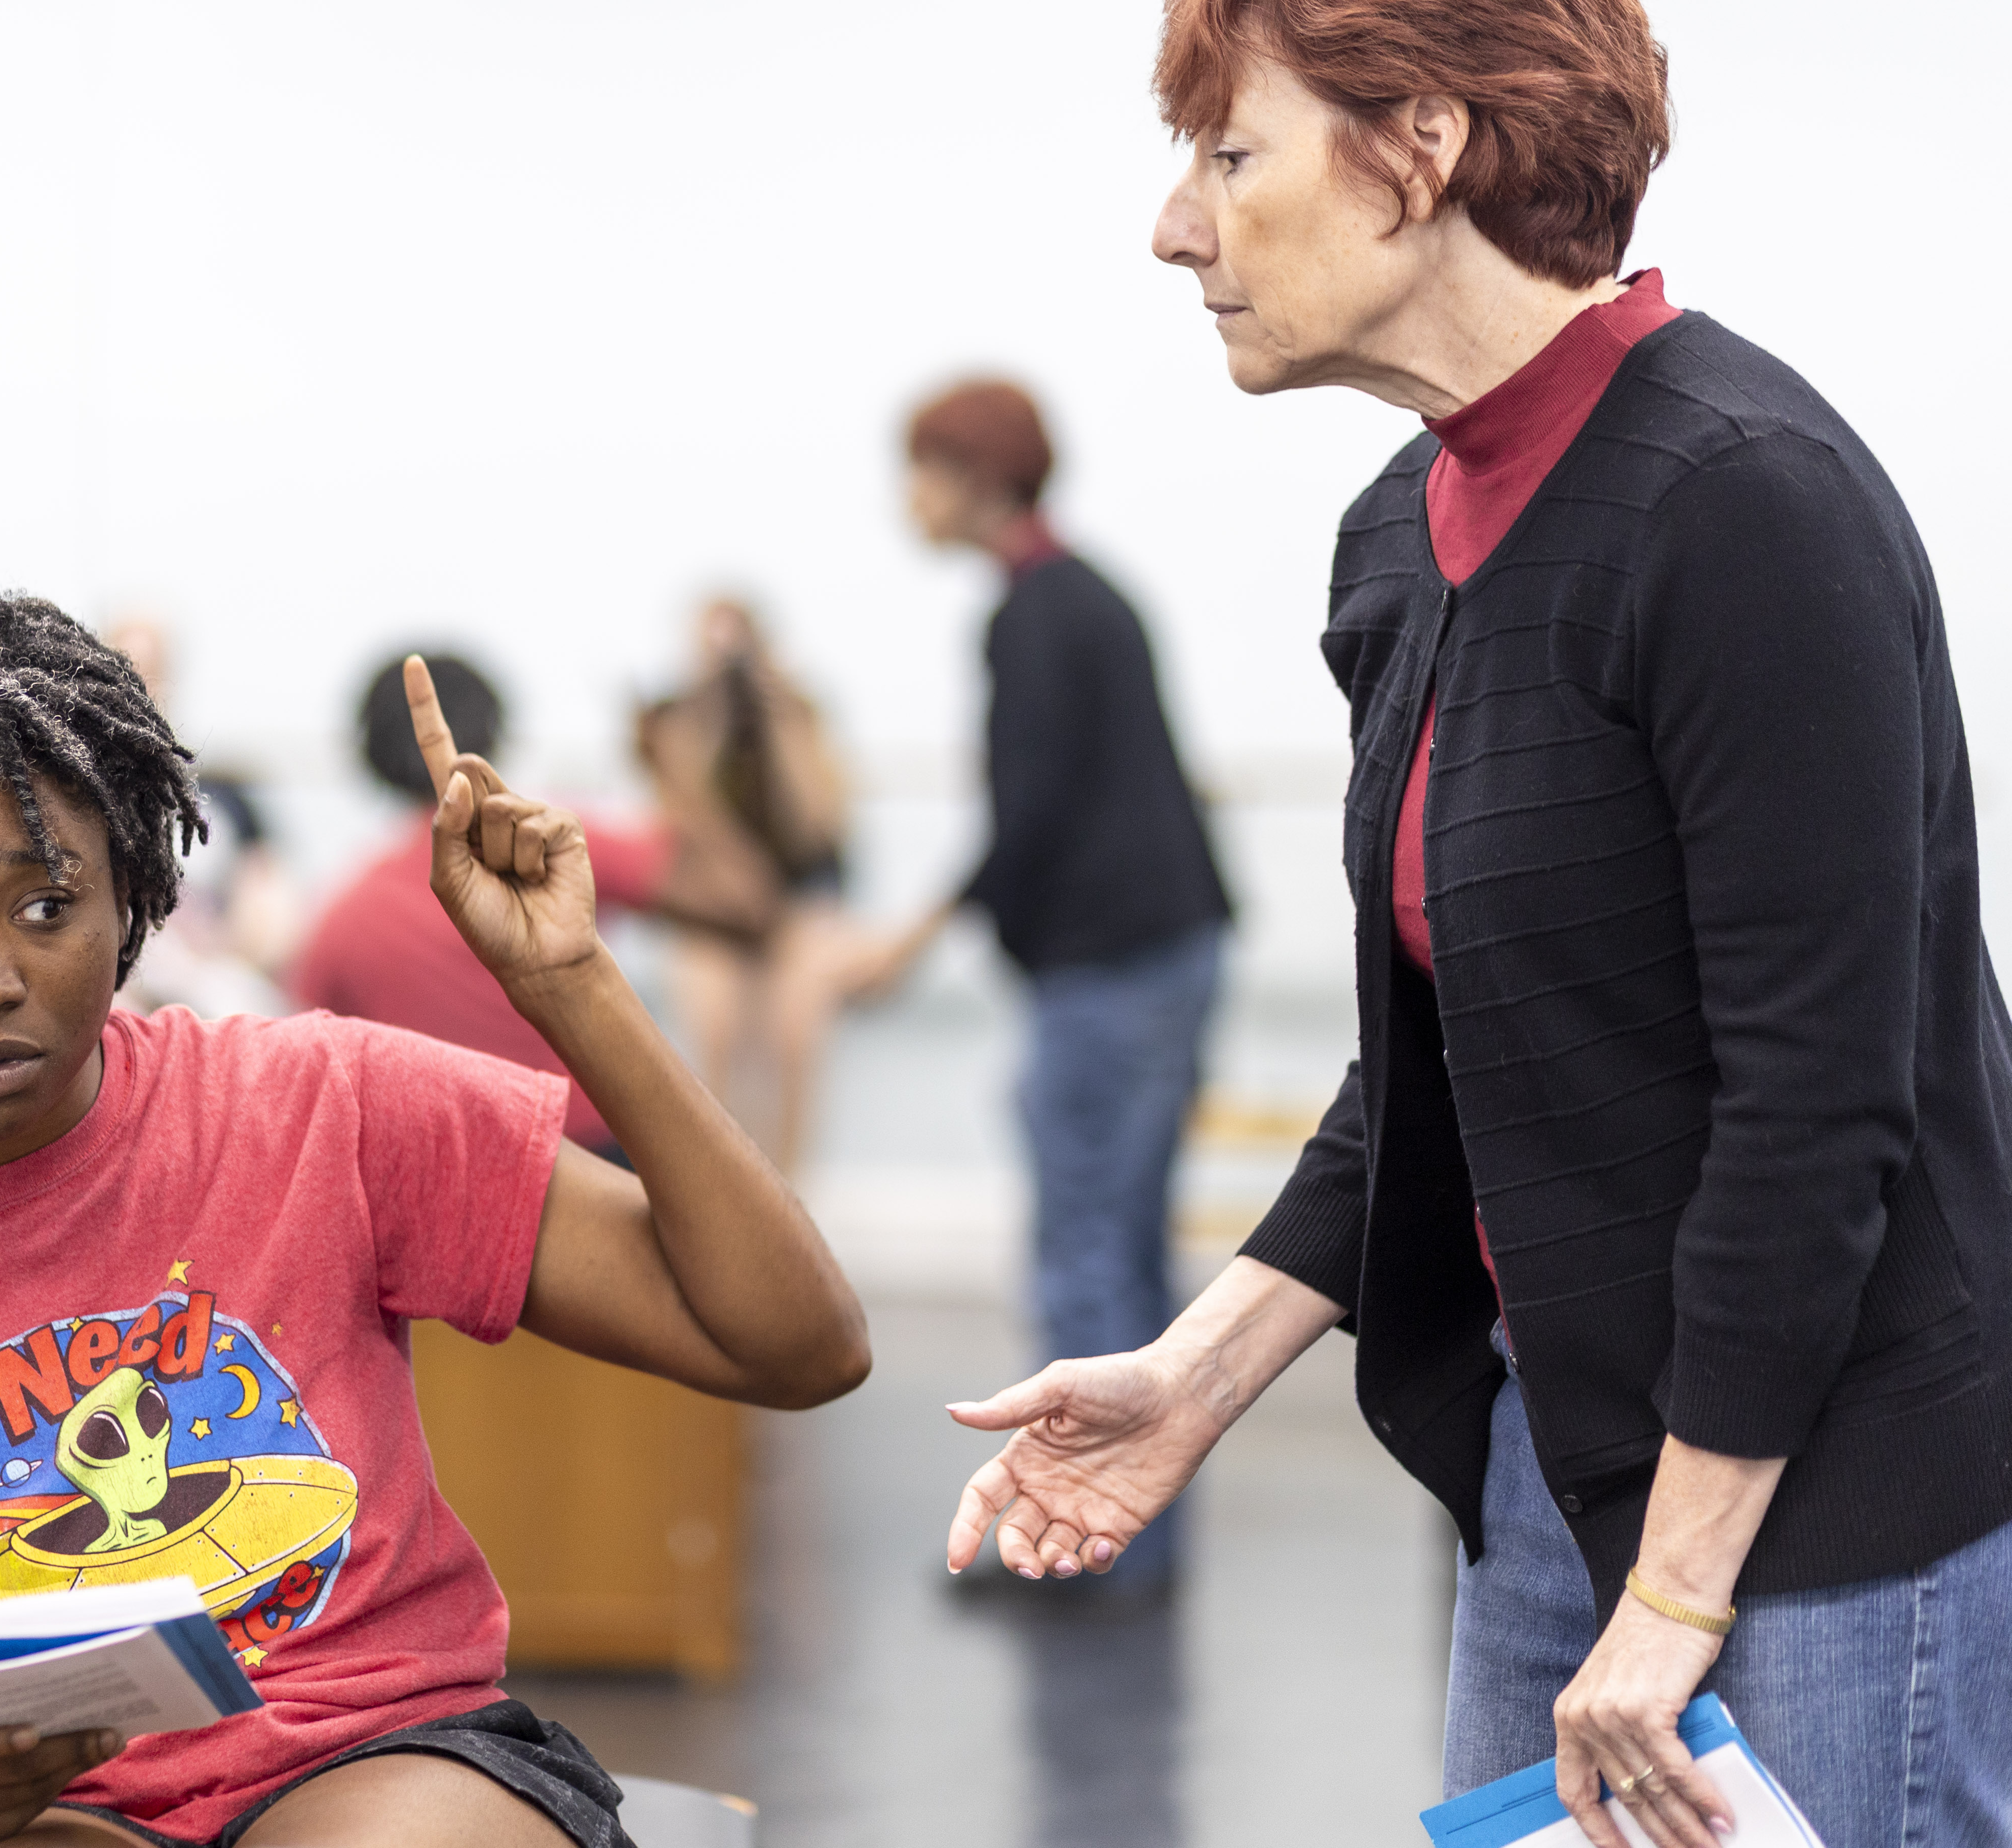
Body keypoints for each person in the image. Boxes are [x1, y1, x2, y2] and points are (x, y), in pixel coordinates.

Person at [943, 5, 2012, 1843]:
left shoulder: (1741, 501)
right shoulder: (1403, 535)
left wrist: (1674, 1595)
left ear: (1418, 147)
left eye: (1230, 155)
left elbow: (1819, 1108)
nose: (1176, 229)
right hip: (1559, 1460)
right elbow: (1445, 1058)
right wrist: (1193, 1375)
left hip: (1814, 1495)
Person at [0, 594, 869, 1848]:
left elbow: (799, 1345)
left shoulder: (322, 1105)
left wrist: (569, 981)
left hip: (380, 1765)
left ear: (131, 894)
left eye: (44, 906)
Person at [847, 378, 1231, 1593]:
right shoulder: (1089, 595)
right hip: (1167, 949)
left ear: (975, 479)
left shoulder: (1031, 617)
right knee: (1129, 1254)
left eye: (920, 471)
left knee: (1084, 1256)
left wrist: (910, 940)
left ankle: (1091, 1549)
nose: (906, 498)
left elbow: (1029, 817)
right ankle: (1137, 1543)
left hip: (1109, 972)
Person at [294, 652, 770, 1164]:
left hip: (453, 1177)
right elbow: (745, 902)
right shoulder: (552, 842)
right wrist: (677, 772)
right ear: (495, 734)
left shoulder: (340, 921)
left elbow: (316, 1076)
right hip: (600, 1155)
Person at [635, 596, 853, 1177]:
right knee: (714, 1031)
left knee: (797, 1033)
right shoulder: (675, 720)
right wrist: (705, 724)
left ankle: (791, 1188)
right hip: (716, 908)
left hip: (794, 898)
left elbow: (821, 824)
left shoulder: (798, 713)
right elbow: (681, 822)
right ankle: (727, 1184)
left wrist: (779, 721)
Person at [102, 616, 299, 1019]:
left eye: (152, 671)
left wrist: (225, 949)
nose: (140, 686)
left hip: (212, 973)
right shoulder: (75, 797)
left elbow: (270, 904)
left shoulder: (223, 794)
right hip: (120, 978)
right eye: (125, 669)